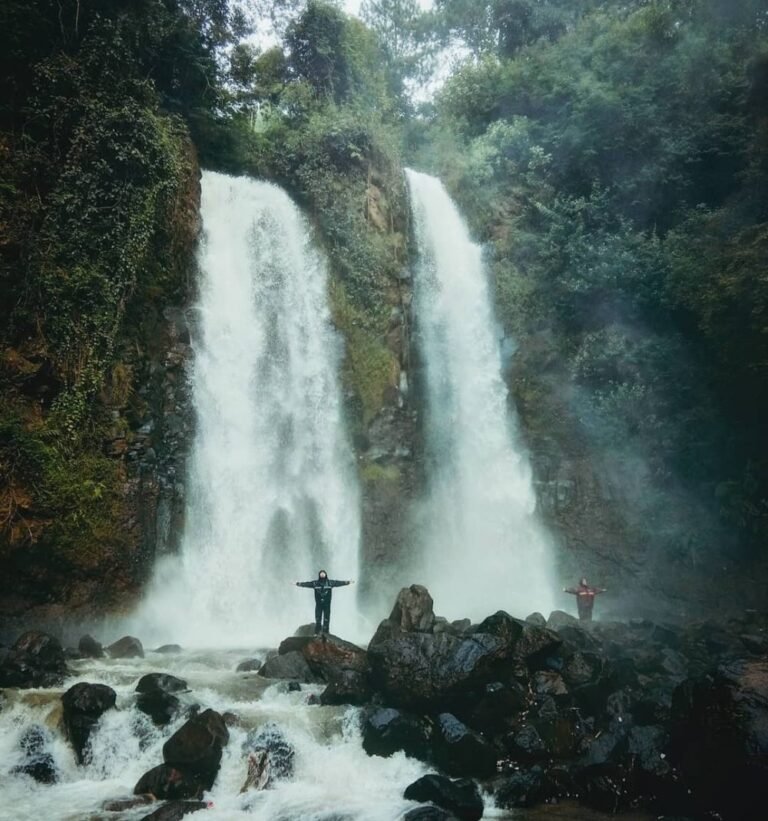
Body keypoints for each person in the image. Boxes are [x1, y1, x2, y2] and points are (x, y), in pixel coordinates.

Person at [295, 570, 354, 636]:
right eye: (321, 574)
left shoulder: (330, 583)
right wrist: (298, 583)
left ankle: (326, 633)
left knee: (326, 619)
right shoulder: (315, 583)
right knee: (318, 618)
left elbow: (339, 583)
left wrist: (348, 582)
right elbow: (306, 584)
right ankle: (317, 633)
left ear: (326, 575)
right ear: (319, 575)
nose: (322, 575)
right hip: (319, 604)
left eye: (323, 574)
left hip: (327, 604)